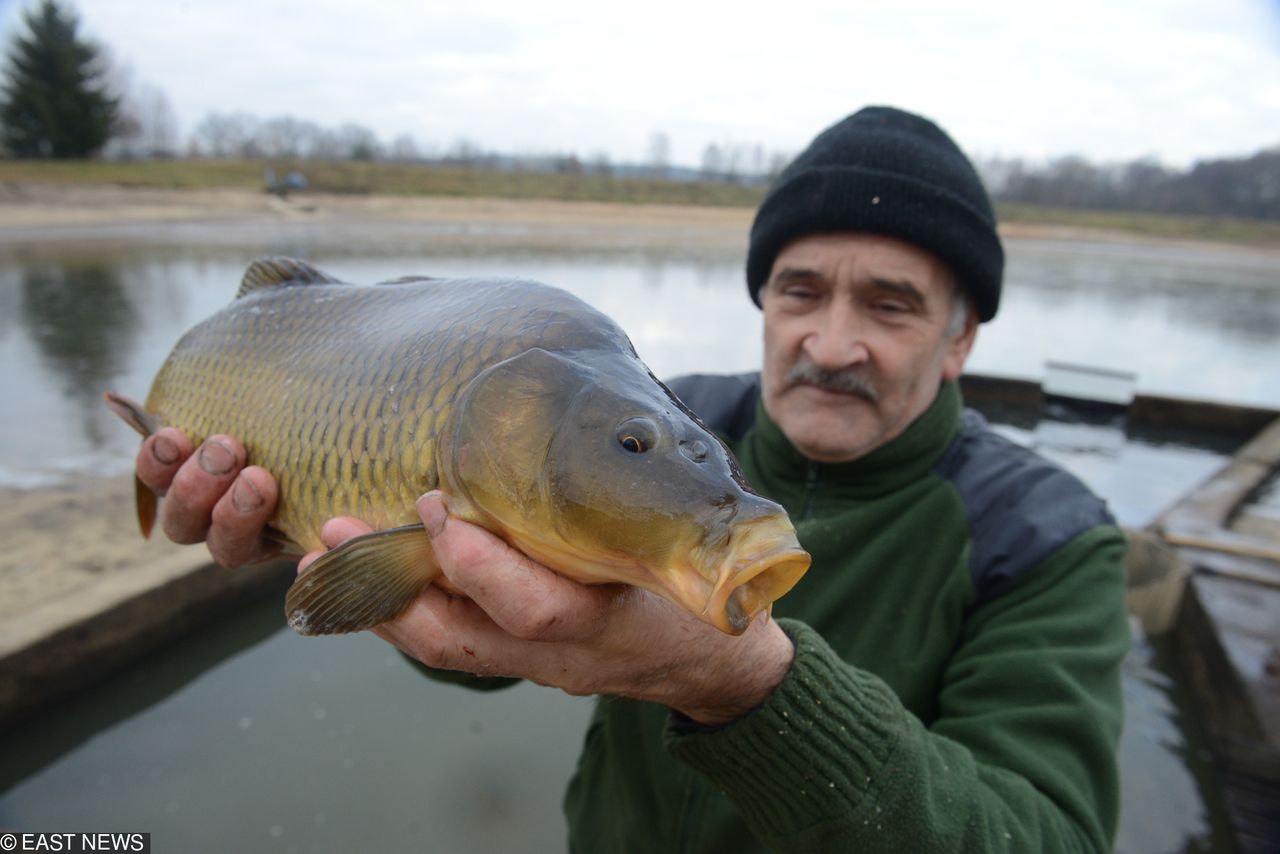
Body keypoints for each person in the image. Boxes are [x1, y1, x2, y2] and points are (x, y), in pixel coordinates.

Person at [134, 106, 1130, 852]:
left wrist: (742, 683)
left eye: (890, 304)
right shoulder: (677, 413)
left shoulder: (1047, 538)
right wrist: (318, 534)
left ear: (960, 337)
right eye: (799, 290)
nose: (832, 342)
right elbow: (469, 637)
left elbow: (1043, 834)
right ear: (763, 303)